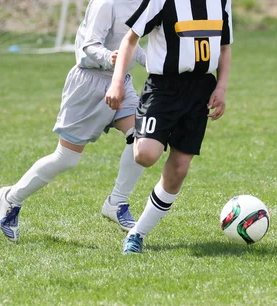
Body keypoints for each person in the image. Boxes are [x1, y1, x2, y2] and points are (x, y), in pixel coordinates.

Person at [0, 0, 148, 241]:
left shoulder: (143, 3)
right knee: (67, 158)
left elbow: (132, 44)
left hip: (121, 81)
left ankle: (116, 203)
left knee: (141, 138)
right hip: (88, 83)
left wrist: (155, 64)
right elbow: (89, 45)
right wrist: (111, 57)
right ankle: (11, 198)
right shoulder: (106, 4)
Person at [105, 0, 233, 254]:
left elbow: (224, 47)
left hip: (200, 90)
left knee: (179, 169)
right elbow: (130, 39)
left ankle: (137, 234)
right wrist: (117, 82)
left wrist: (221, 86)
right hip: (163, 89)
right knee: (145, 155)